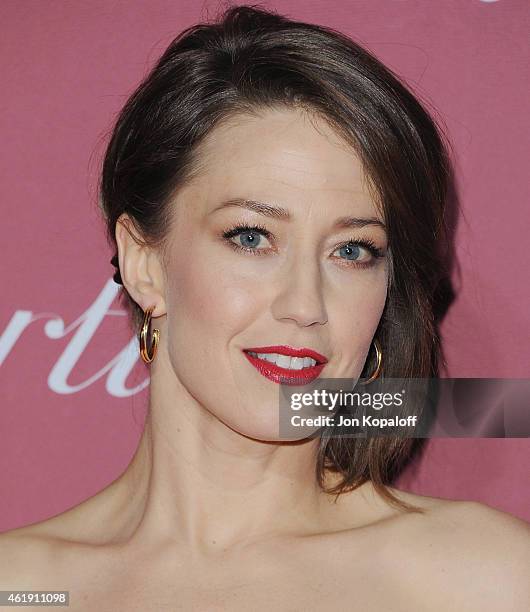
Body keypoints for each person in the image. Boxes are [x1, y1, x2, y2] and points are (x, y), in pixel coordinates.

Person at [1, 5, 529, 610]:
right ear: (145, 262)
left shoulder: (482, 580)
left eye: (352, 250)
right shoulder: (21, 586)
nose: (305, 305)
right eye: (251, 237)